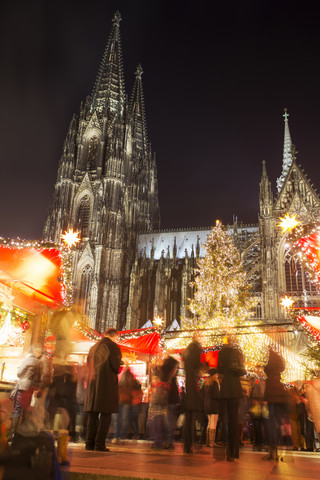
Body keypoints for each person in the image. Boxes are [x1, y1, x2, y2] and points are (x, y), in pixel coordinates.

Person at [84, 327, 122, 452]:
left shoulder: (93, 347)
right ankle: (99, 444)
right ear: (114, 336)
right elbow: (115, 367)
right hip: (106, 385)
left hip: (92, 386)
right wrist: (121, 363)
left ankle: (89, 443)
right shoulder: (114, 347)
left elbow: (88, 366)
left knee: (92, 416)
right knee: (105, 415)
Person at [217, 338, 246, 462]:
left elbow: (220, 369)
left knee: (226, 419)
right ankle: (235, 451)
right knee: (235, 420)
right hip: (235, 388)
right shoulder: (236, 352)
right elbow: (242, 371)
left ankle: (229, 450)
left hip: (226, 388)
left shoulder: (221, 352)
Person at [10, 344, 43, 439]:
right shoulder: (39, 362)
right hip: (30, 388)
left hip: (22, 387)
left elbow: (19, 373)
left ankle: (12, 433)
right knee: (26, 410)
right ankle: (23, 434)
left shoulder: (28, 360)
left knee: (17, 409)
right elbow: (38, 378)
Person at [263, 348, 288, 461]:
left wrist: (264, 400)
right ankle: (275, 450)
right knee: (277, 424)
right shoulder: (279, 372)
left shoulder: (270, 371)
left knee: (270, 424)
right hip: (279, 399)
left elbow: (266, 370)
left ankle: (272, 451)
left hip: (271, 399)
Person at [182, 333, 203, 454]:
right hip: (193, 388)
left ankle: (188, 445)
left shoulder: (188, 350)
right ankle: (191, 444)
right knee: (193, 418)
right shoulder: (195, 349)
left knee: (188, 418)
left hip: (188, 389)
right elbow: (197, 365)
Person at [201, 367, 221, 447]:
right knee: (213, 423)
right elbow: (217, 395)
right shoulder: (215, 382)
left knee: (209, 423)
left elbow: (201, 392)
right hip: (214, 405)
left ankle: (207, 441)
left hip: (207, 405)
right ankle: (212, 442)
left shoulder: (206, 382)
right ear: (215, 374)